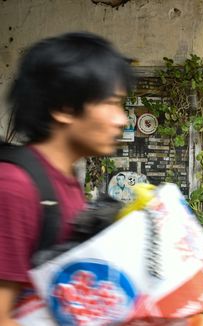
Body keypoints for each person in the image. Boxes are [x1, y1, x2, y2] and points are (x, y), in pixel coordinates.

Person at [0, 32, 133, 325]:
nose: (121, 119)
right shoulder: (15, 186)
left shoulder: (65, 179)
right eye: (112, 103)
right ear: (64, 109)